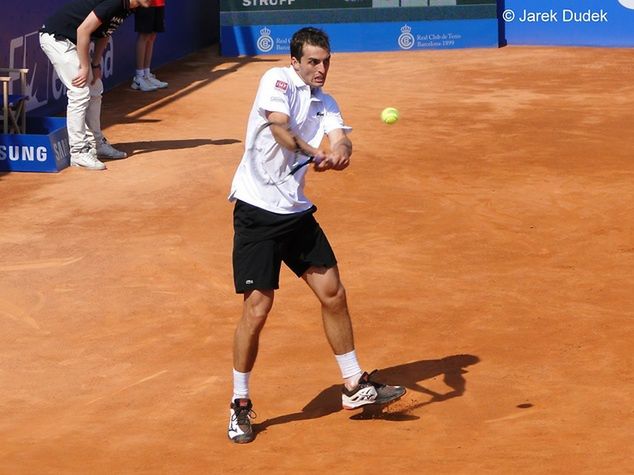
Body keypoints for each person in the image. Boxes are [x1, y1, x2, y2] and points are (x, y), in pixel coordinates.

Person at [226, 27, 405, 444]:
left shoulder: (326, 102)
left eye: (326, 61)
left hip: (295, 214)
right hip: (256, 212)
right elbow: (280, 130)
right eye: (312, 61)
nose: (321, 69)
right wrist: (313, 153)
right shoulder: (277, 81)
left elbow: (340, 138)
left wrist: (340, 153)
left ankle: (353, 384)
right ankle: (239, 404)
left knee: (334, 293)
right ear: (295, 61)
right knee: (257, 310)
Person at [39, 0, 150, 171]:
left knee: (95, 88)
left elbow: (105, 33)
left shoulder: (129, 8)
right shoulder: (116, 2)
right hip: (57, 39)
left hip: (74, 41)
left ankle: (96, 144)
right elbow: (83, 30)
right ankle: (78, 151)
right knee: (79, 91)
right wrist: (85, 66)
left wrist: (96, 64)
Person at [131, 0, 168, 92]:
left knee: (152, 36)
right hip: (145, 2)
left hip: (159, 2)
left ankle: (146, 75)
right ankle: (139, 77)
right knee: (144, 36)